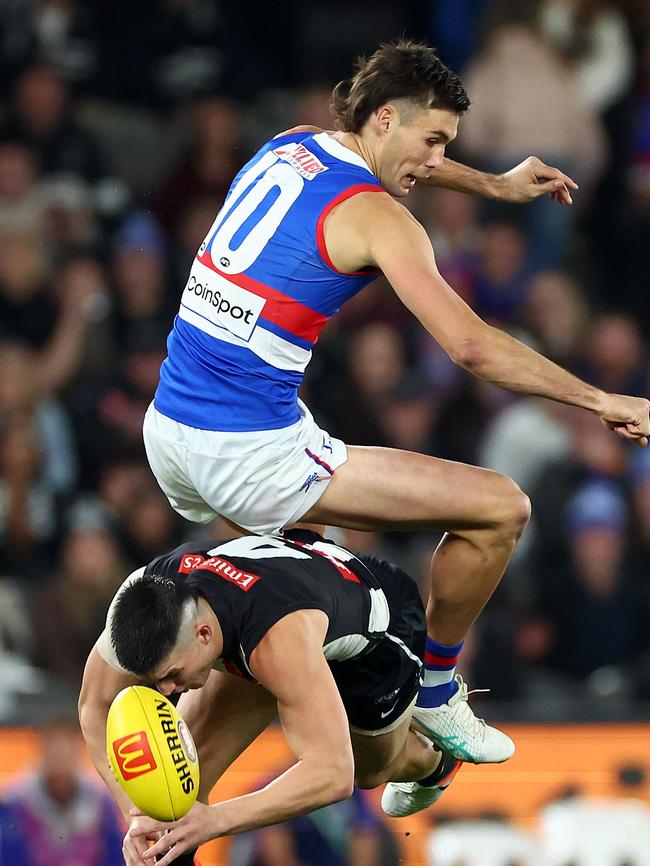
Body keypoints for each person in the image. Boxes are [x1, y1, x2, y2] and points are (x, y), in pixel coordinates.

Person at [141, 40, 649, 772]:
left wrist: (496, 187)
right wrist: (599, 397)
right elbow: (472, 348)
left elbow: (406, 163)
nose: (436, 158)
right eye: (433, 139)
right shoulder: (381, 220)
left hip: (173, 426)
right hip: (247, 453)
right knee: (501, 508)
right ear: (384, 118)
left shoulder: (293, 144)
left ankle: (201, 763)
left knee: (299, 594)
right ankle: (437, 689)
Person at [78, 530, 469, 866]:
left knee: (370, 771)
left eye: (173, 675)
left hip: (380, 630)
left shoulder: (275, 643)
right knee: (171, 800)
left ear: (202, 635)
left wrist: (214, 820)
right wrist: (135, 813)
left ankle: (436, 761)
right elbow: (93, 705)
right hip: (283, 607)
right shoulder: (143, 597)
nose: (166, 692)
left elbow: (332, 775)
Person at [0, 716, 124, 866]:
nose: (60, 759)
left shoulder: (103, 804)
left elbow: (116, 856)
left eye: (66, 750)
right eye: (55, 751)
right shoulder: (12, 805)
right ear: (42, 752)